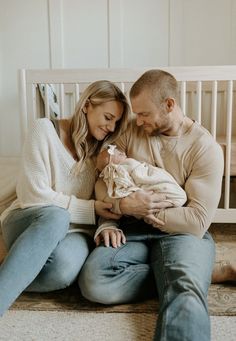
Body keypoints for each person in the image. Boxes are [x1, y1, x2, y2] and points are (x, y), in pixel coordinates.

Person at [78, 70, 224, 341]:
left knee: (186, 291)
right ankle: (198, 271)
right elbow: (103, 179)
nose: (137, 120)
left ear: (169, 105)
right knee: (94, 282)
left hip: (181, 232)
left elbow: (197, 220)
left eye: (144, 113)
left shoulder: (205, 148)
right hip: (130, 228)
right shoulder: (131, 131)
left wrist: (143, 208)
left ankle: (189, 273)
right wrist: (119, 210)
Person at [0, 80, 130, 316]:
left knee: (63, 272)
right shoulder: (43, 130)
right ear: (87, 105)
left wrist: (108, 223)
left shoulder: (102, 153)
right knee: (56, 216)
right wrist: (90, 210)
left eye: (116, 122)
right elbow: (33, 194)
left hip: (76, 231)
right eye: (108, 117)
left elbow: (107, 198)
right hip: (29, 219)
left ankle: (11, 271)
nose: (112, 127)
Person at [94, 144, 187, 247]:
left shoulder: (199, 144)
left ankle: (166, 202)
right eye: (120, 154)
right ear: (111, 165)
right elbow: (106, 200)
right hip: (130, 225)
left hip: (175, 227)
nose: (124, 153)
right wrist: (119, 207)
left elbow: (146, 176)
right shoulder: (124, 165)